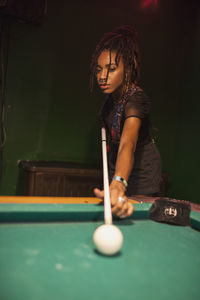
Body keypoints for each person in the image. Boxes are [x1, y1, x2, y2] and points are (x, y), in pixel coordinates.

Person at [90, 25, 162, 219]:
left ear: (128, 69)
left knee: (135, 222)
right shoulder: (110, 99)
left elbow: (127, 144)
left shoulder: (135, 100)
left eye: (111, 69)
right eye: (99, 70)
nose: (102, 76)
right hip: (117, 168)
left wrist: (119, 181)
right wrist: (115, 178)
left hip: (142, 175)